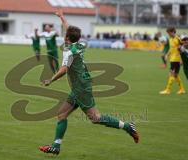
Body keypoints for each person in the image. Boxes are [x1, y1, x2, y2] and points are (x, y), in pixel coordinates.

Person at [39, 9, 139, 155]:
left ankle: (128, 126)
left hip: (81, 88)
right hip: (79, 86)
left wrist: (50, 80)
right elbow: (69, 30)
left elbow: (64, 69)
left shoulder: (69, 52)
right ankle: (56, 146)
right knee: (61, 114)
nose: (64, 35)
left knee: (95, 118)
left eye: (65, 35)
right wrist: (62, 17)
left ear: (67, 38)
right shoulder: (78, 44)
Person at [160, 27, 186, 95]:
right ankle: (182, 89)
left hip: (176, 59)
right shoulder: (170, 39)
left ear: (173, 32)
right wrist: (167, 55)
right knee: (175, 75)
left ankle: (168, 90)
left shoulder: (178, 39)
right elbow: (171, 49)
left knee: (171, 74)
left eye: (169, 33)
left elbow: (183, 49)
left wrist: (182, 60)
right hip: (172, 59)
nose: (168, 34)